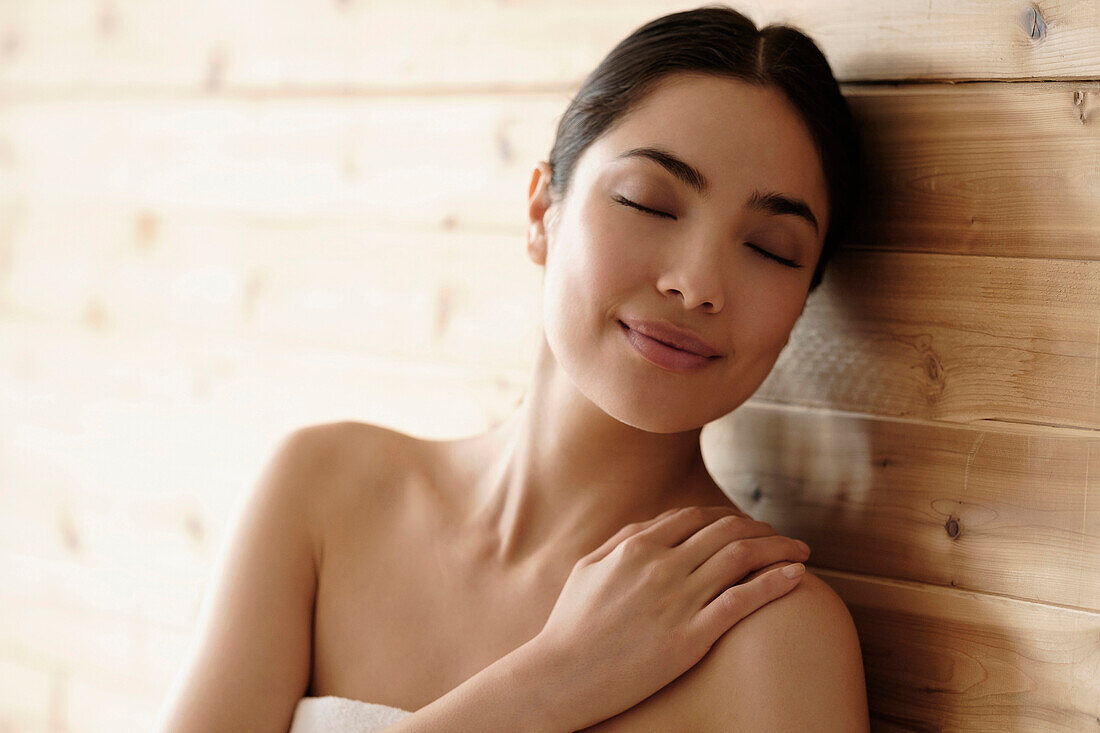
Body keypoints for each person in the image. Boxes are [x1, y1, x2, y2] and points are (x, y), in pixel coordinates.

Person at [156, 5, 868, 732]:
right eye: (648, 201)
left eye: (773, 250)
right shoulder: (325, 494)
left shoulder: (769, 633)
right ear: (541, 212)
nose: (699, 282)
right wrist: (556, 677)